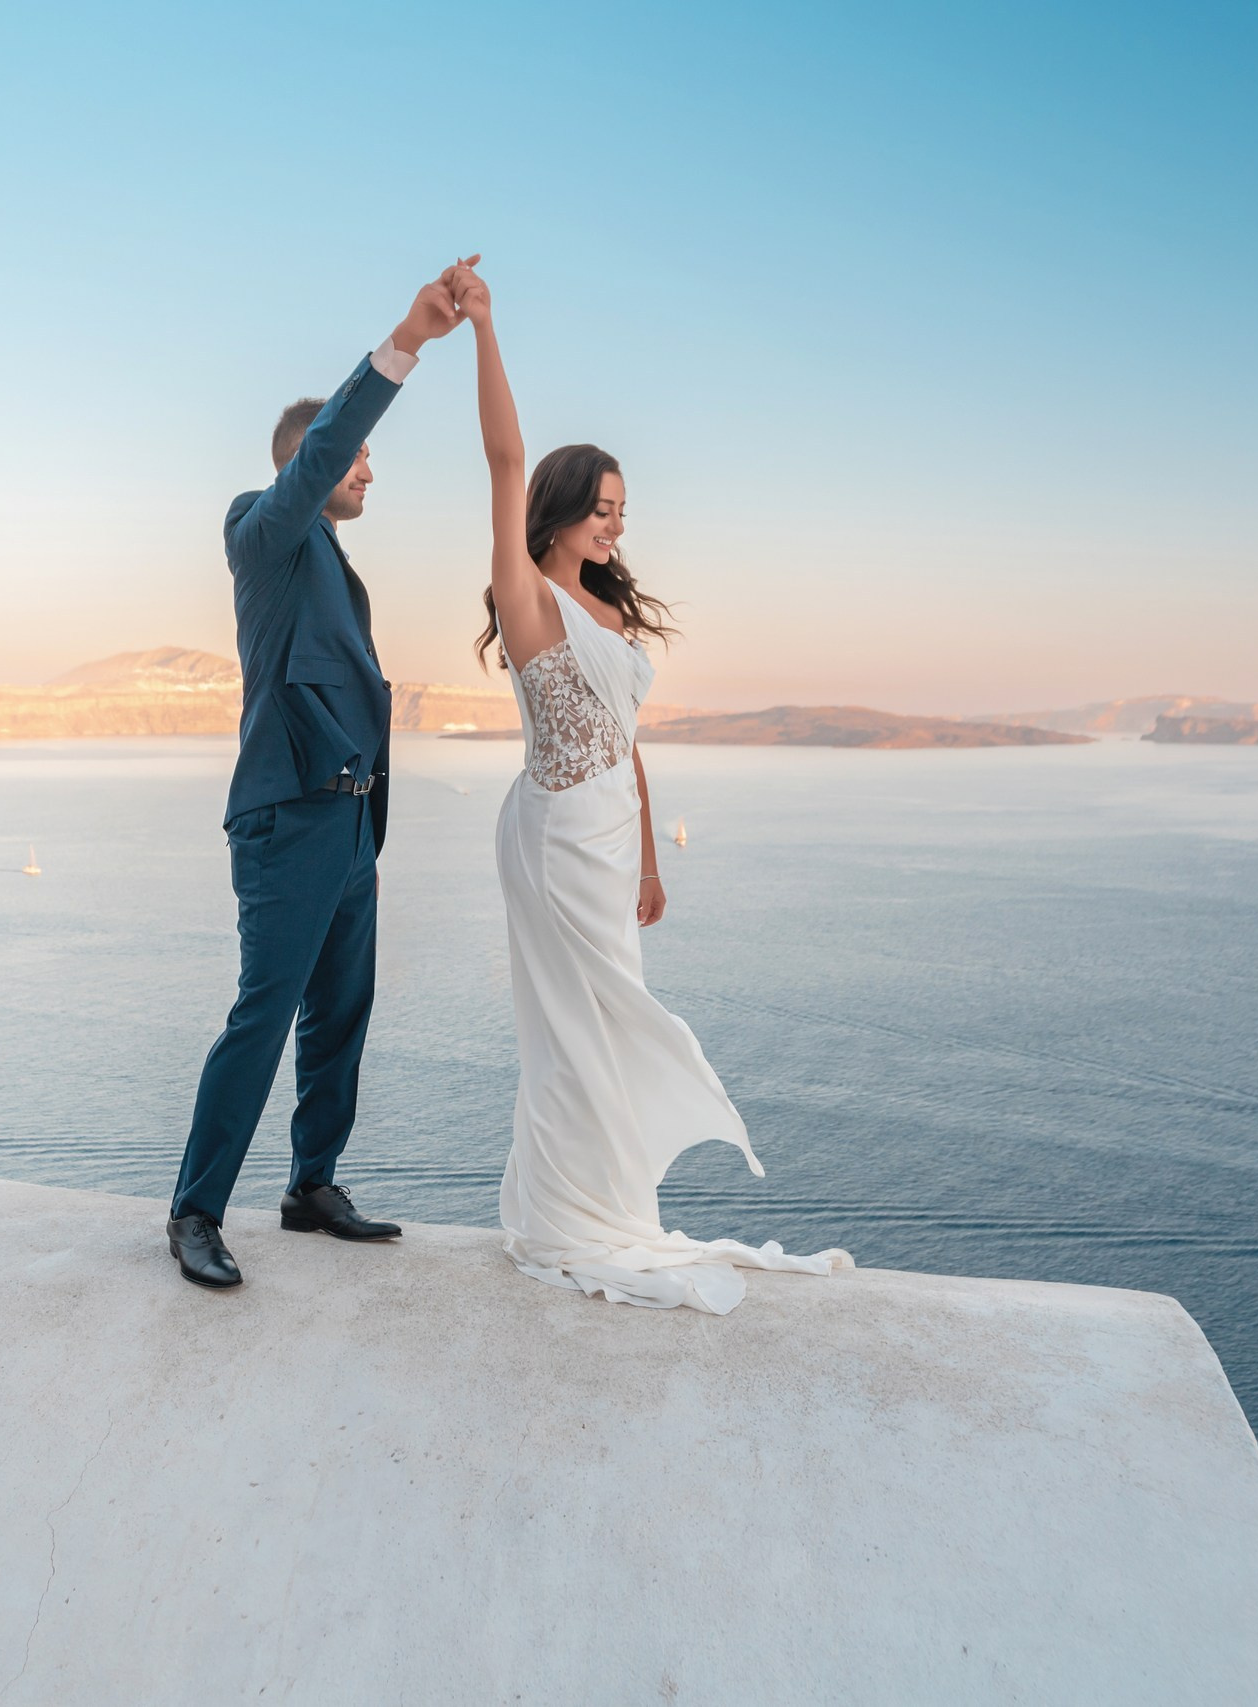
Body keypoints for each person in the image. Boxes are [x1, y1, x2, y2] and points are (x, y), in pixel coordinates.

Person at [456, 260, 852, 1313]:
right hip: (549, 838)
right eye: (597, 509)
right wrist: (485, 326)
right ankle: (564, 1216)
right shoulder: (529, 597)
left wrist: (647, 860)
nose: (614, 526)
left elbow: (626, 738)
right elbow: (501, 457)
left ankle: (601, 1198)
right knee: (571, 1028)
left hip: (606, 834)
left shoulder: (612, 616)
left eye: (622, 511)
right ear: (554, 513)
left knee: (611, 1014)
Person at [166, 268, 466, 1290]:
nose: (370, 475)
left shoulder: (331, 559)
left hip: (346, 824)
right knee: (264, 1012)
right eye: (359, 460)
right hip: (287, 817)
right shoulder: (263, 526)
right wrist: (405, 344)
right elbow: (329, 445)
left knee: (342, 1011)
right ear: (314, 461)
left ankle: (310, 1187)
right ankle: (196, 1211)